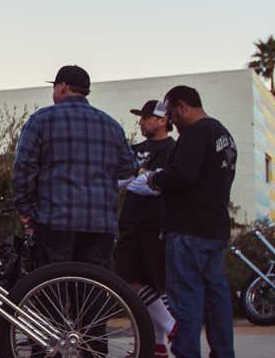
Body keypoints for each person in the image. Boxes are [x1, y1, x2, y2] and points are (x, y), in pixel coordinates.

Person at [145, 85, 237, 358]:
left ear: (182, 106)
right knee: (216, 297)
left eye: (171, 113)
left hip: (188, 229)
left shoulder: (196, 133)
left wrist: (156, 179)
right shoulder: (223, 134)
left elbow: (183, 175)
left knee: (186, 299)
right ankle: (223, 352)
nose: (170, 121)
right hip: (215, 228)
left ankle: (187, 353)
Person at [13, 65, 135, 268]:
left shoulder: (41, 120)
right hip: (100, 223)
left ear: (62, 87)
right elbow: (128, 167)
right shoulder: (111, 125)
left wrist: (26, 210)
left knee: (55, 286)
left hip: (55, 221)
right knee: (93, 287)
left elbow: (23, 168)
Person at [115, 100, 177, 357]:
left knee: (150, 282)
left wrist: (140, 177)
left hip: (155, 223)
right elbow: (119, 180)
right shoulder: (134, 149)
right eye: (140, 117)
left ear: (163, 120)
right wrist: (140, 176)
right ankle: (158, 343)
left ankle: (168, 331)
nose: (140, 122)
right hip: (129, 221)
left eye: (147, 117)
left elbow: (154, 185)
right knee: (130, 279)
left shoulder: (172, 149)